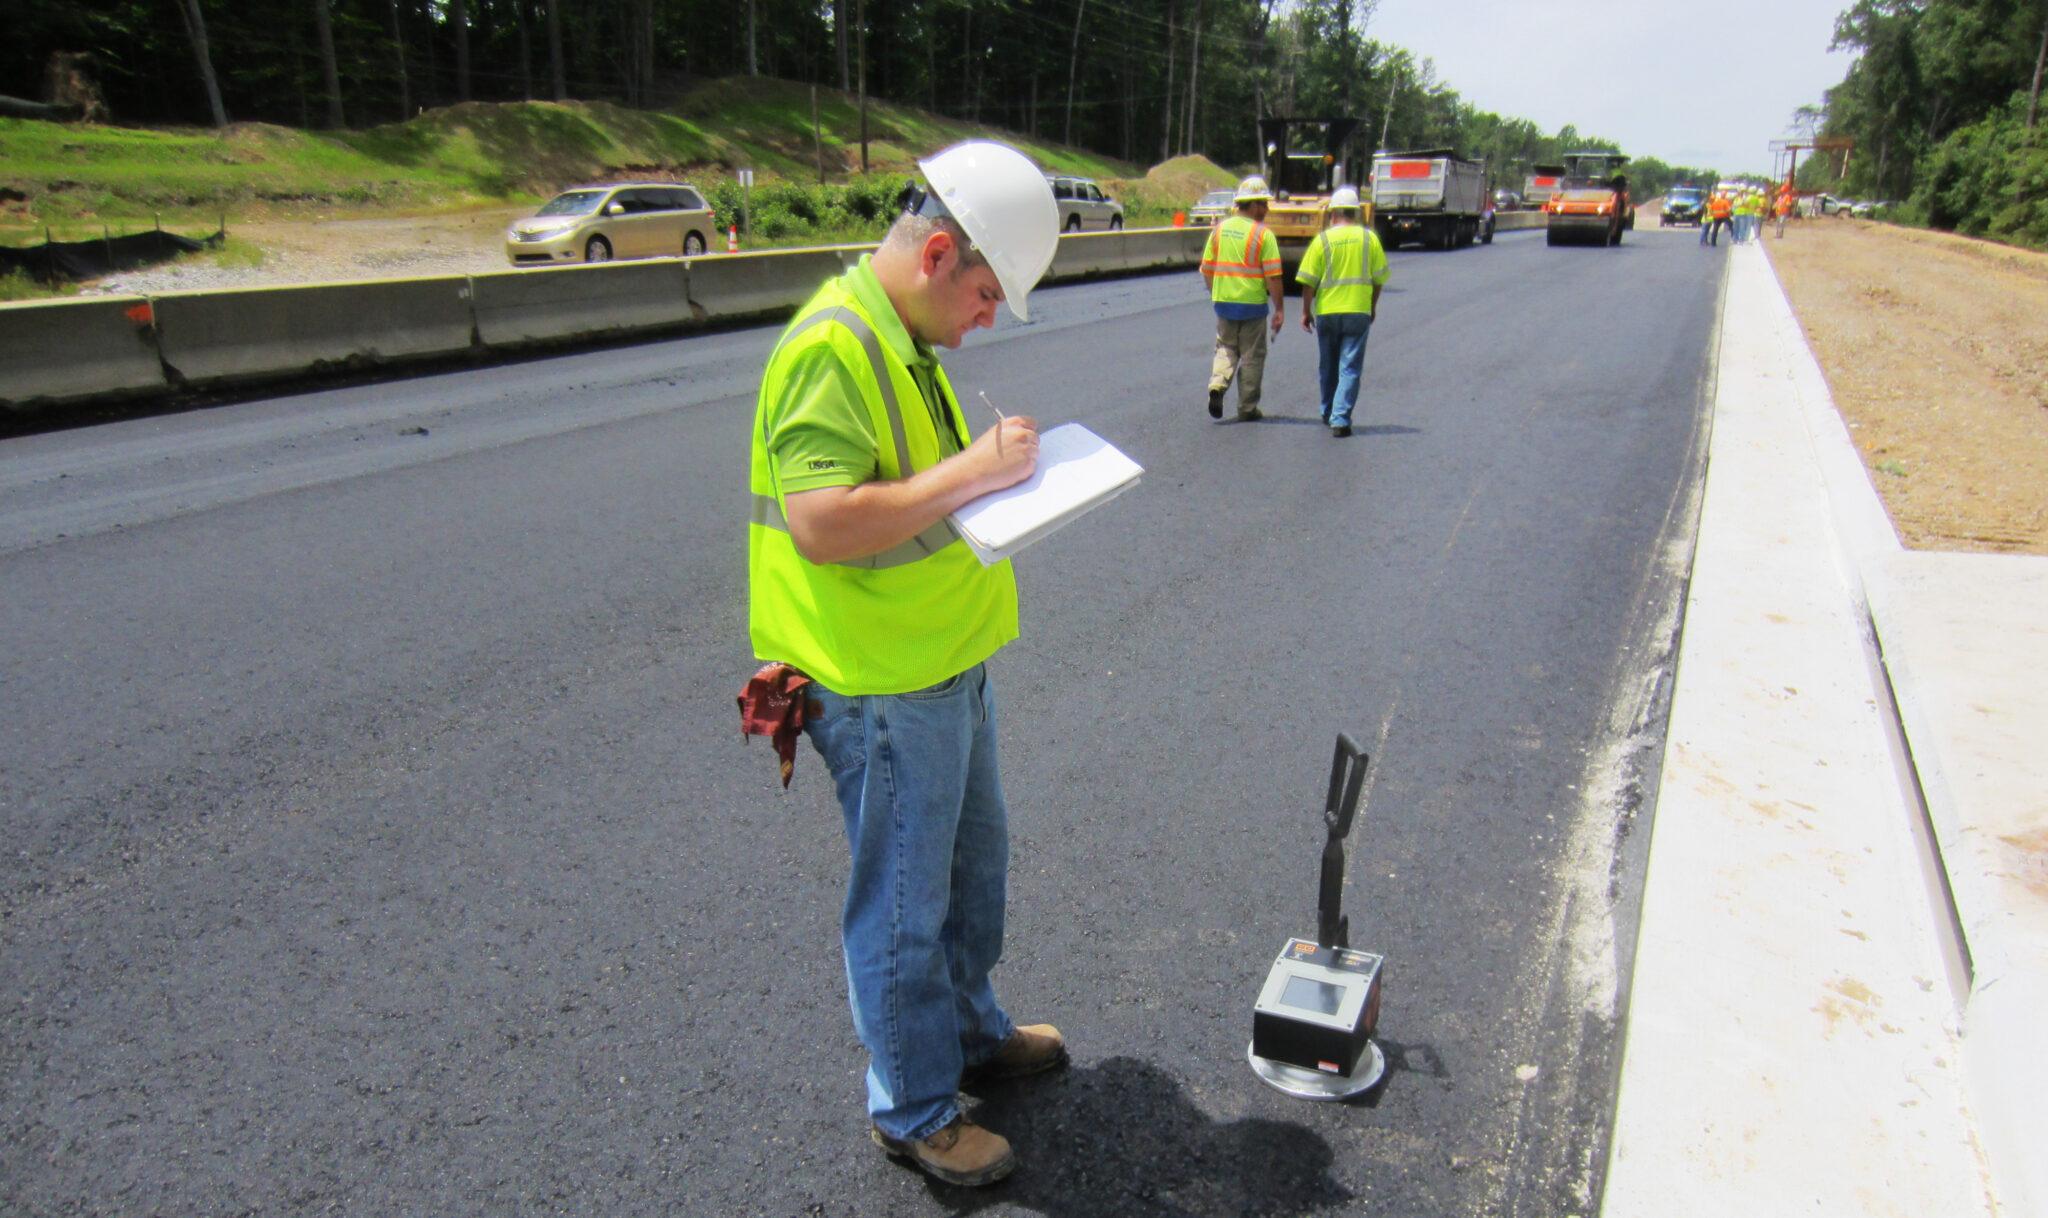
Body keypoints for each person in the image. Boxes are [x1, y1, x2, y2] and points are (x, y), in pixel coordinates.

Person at [742, 140, 1068, 1189]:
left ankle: (969, 1032)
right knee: (901, 906)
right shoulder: (830, 347)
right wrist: (976, 469)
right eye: (981, 295)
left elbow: (917, 496)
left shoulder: (903, 338)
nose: (982, 320)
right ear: (935, 253)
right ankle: (915, 1110)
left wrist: (989, 473)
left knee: (973, 879)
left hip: (942, 663)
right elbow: (822, 521)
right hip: (879, 684)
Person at [1295, 186, 1390, 438]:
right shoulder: (1370, 239)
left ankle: (1328, 412)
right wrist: (1372, 306)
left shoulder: (1322, 240)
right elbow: (1379, 279)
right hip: (1357, 311)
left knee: (1328, 364)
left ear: (1333, 213)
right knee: (1350, 367)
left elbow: (1308, 281)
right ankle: (1340, 418)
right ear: (1356, 213)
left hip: (1327, 312)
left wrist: (1306, 311)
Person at [1201, 176, 1284, 421]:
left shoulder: (1220, 230)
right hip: (1253, 306)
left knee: (1225, 348)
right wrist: (1279, 308)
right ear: (1254, 204)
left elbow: (1206, 268)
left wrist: (1216, 295)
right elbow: (1274, 277)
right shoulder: (1263, 234)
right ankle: (1247, 408)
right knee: (1252, 356)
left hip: (1224, 303)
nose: (1267, 209)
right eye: (1264, 204)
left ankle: (1217, 385)